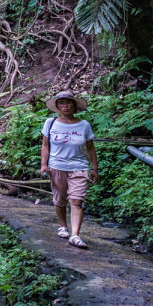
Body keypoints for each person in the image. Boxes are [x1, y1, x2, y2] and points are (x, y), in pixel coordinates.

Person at [40, 90, 99, 249]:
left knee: (76, 200)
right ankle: (63, 226)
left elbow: (91, 148)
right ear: (57, 106)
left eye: (68, 103)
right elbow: (45, 145)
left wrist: (95, 168)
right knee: (60, 200)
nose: (65, 106)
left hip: (79, 167)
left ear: (74, 105)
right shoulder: (50, 123)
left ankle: (75, 235)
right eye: (61, 103)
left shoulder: (84, 125)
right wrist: (44, 164)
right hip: (57, 166)